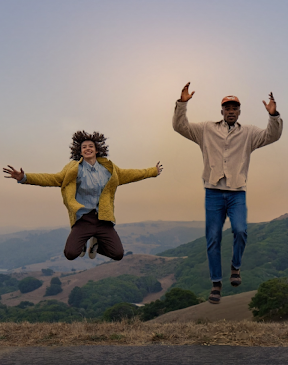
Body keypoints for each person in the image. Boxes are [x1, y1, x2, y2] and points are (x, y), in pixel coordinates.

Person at [173, 83, 283, 304]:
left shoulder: (249, 133)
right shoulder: (206, 129)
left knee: (241, 231)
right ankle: (216, 283)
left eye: (235, 108)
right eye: (227, 108)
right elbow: (180, 126)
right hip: (213, 192)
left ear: (239, 111)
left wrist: (273, 116)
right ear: (221, 111)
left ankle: (236, 267)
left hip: (236, 193)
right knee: (213, 238)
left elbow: (272, 136)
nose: (231, 111)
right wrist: (182, 103)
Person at [3, 130, 163, 262]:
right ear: (79, 151)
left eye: (90, 146)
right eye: (84, 147)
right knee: (70, 254)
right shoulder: (74, 169)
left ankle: (96, 244)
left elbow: (131, 174)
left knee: (118, 254)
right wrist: (24, 178)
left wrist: (152, 171)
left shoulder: (109, 169)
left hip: (103, 219)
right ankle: (82, 245)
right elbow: (53, 179)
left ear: (97, 149)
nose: (87, 148)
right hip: (83, 219)